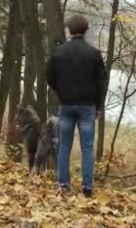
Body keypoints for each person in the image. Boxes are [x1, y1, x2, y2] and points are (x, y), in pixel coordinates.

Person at [46, 14, 106, 198]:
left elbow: (50, 77)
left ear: (69, 30)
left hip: (67, 105)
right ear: (86, 31)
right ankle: (87, 188)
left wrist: (61, 92)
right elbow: (101, 82)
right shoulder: (94, 54)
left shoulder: (58, 52)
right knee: (87, 147)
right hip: (88, 106)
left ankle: (63, 184)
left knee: (64, 145)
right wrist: (98, 106)